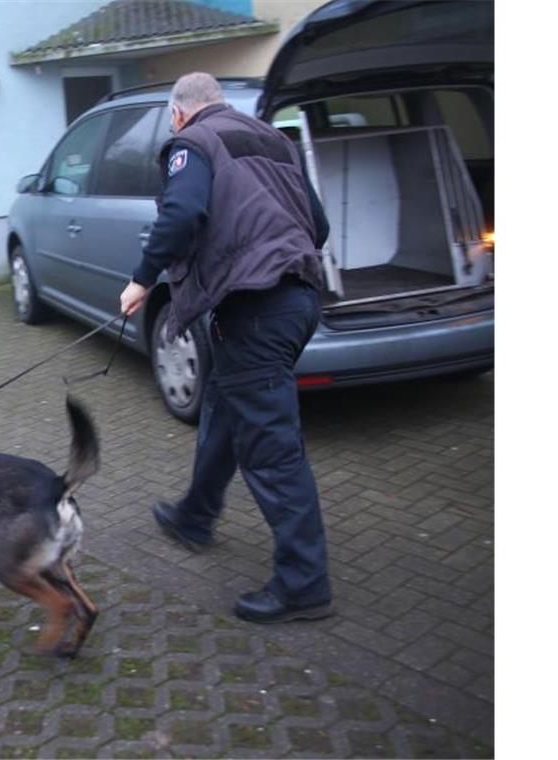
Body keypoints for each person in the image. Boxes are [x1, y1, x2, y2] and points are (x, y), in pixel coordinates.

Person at [119, 72, 333, 624]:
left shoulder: (192, 143)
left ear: (178, 114)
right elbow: (321, 224)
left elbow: (183, 212)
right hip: (299, 298)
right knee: (222, 403)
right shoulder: (273, 141)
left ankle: (303, 585)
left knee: (273, 451)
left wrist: (143, 279)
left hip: (259, 309)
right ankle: (196, 513)